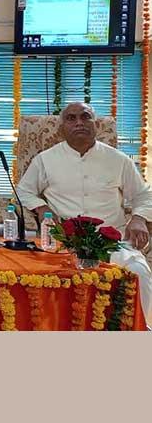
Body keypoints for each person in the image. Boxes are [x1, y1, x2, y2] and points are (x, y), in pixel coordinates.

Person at [17, 101, 152, 324]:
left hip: (111, 241)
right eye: (71, 118)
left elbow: (143, 195)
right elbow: (23, 191)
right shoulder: (46, 160)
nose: (79, 122)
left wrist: (138, 219)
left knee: (140, 271)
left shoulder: (118, 160)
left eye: (85, 116)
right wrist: (42, 208)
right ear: (61, 128)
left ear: (95, 124)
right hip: (64, 244)